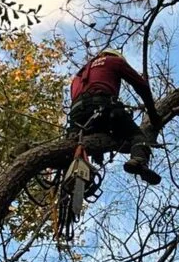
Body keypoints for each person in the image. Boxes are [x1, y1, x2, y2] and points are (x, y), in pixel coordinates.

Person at [68, 48, 162, 186]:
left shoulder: (78, 75)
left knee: (82, 139)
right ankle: (138, 160)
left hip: (76, 116)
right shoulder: (114, 61)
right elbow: (141, 86)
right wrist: (153, 115)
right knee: (137, 136)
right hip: (102, 107)